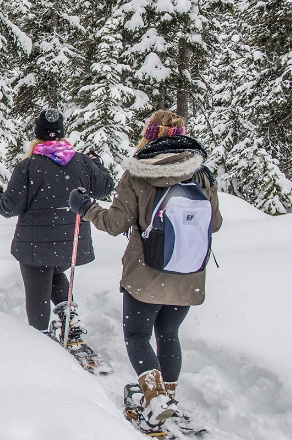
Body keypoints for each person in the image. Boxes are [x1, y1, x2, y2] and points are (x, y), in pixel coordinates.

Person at [67, 110, 223, 430]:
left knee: (137, 334)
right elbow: (215, 224)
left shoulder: (138, 174)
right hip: (188, 273)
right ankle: (169, 396)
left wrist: (86, 207)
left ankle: (154, 400)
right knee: (169, 334)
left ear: (150, 135)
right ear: (181, 134)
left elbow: (114, 224)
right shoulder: (202, 174)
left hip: (146, 273)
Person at [0, 108, 113, 340]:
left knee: (37, 290)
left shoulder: (28, 166)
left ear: (38, 134)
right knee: (54, 273)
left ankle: (41, 338)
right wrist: (98, 163)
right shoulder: (82, 162)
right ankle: (69, 315)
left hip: (35, 245)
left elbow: (10, 207)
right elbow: (105, 187)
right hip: (71, 242)